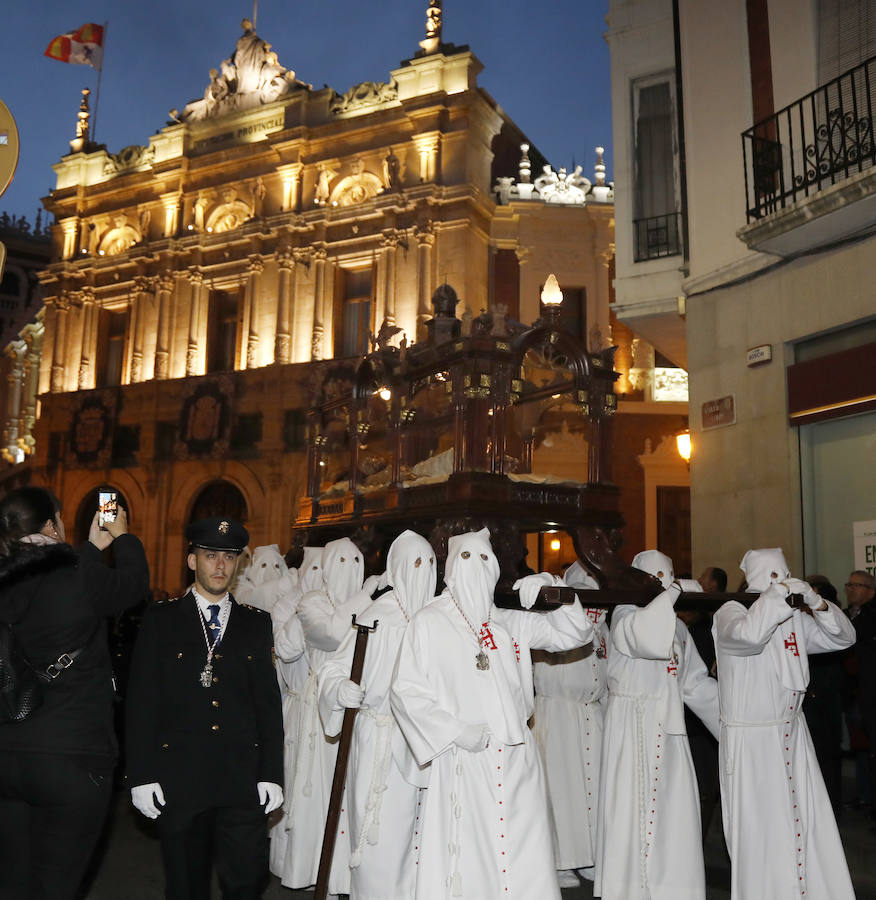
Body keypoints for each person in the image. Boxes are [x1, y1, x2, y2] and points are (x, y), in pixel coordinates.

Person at [391, 527, 595, 900]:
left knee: (522, 851)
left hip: (517, 756)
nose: (476, 568)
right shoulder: (428, 622)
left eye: (485, 559)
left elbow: (575, 635)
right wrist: (455, 731)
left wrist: (556, 590)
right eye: (466, 558)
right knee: (472, 857)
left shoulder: (508, 622)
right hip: (464, 758)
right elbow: (405, 691)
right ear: (450, 569)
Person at [0, 485, 149, 900]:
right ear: (51, 525)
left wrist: (90, 549)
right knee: (56, 887)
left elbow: (47, 585)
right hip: (70, 757)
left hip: (6, 756)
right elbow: (134, 584)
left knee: (11, 885)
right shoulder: (81, 578)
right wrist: (122, 536)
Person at [126, 516, 284, 900]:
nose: (220, 566)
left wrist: (272, 773)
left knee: (247, 881)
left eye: (229, 557)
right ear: (192, 560)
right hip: (181, 779)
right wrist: (141, 775)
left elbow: (268, 704)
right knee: (185, 885)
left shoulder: (256, 624)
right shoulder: (162, 620)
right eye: (210, 555)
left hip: (241, 781)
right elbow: (142, 703)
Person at [712, 548, 856, 900]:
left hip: (792, 733)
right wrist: (776, 597)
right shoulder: (731, 612)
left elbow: (843, 637)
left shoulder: (791, 617)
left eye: (786, 574)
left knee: (806, 822)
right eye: (775, 577)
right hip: (753, 739)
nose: (784, 582)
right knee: (764, 830)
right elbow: (748, 637)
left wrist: (817, 603)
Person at [594, 549, 719, 900]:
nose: (664, 586)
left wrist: (733, 724)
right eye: (657, 580)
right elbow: (646, 640)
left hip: (669, 729)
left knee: (671, 814)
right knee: (631, 814)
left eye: (669, 578)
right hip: (632, 728)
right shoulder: (623, 614)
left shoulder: (678, 626)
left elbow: (694, 683)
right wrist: (674, 593)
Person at [319, 530, 436, 899]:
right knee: (380, 839)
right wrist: (340, 690)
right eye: (416, 563)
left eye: (431, 563)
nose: (425, 572)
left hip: (430, 746)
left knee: (423, 837)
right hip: (379, 741)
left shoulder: (438, 620)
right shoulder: (376, 618)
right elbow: (334, 667)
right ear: (398, 569)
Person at [284, 537, 376, 896]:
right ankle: (314, 871)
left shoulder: (366, 604)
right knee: (320, 794)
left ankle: (346, 877)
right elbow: (332, 636)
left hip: (356, 704)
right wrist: (365, 598)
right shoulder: (312, 603)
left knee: (352, 796)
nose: (350, 571)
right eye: (341, 562)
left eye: (357, 563)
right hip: (319, 709)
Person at [532, 560, 607, 888]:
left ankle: (589, 854)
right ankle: (560, 860)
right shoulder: (550, 621)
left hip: (591, 710)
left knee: (591, 790)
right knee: (561, 789)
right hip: (559, 712)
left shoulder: (602, 624)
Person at [802, 576, 845, 814]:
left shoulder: (830, 625)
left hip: (825, 700)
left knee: (828, 756)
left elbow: (832, 665)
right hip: (809, 700)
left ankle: (831, 810)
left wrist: (817, 692)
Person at [846, 569, 876, 813]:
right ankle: (865, 796)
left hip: (871, 691)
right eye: (849, 584)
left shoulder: (871, 615)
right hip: (855, 693)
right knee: (861, 749)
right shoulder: (846, 615)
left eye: (856, 585)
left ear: (870, 590)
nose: (851, 589)